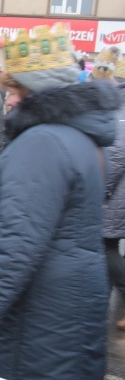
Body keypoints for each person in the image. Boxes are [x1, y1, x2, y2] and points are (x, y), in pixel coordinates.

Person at [0, 23, 119, 380]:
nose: (8, 99)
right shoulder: (78, 135)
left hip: (41, 309)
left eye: (18, 90)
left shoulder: (42, 142)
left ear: (40, 92)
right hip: (69, 301)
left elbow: (18, 242)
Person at [104, 82, 125, 330]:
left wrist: (104, 191)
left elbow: (117, 156)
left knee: (107, 245)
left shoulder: (119, 113)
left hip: (118, 193)